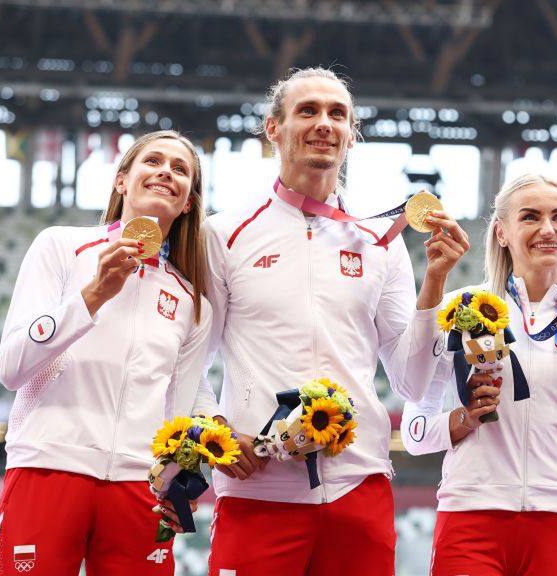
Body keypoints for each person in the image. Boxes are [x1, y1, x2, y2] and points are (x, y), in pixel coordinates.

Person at [196, 67, 469, 575]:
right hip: (260, 487)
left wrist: (435, 281)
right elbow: (192, 360)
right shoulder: (224, 233)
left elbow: (411, 381)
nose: (324, 123)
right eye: (308, 111)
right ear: (273, 128)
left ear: (351, 135)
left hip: (358, 484)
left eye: (337, 114)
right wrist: (215, 430)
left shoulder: (381, 243)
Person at [0, 130, 212, 575]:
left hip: (140, 487)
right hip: (49, 466)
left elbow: (186, 402)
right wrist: (91, 297)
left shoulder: (193, 301)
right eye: (153, 161)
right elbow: (11, 367)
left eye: (180, 168)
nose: (166, 171)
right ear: (122, 181)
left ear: (188, 201)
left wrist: (182, 482)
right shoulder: (61, 246)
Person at [401, 173, 557, 576]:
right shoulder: (460, 309)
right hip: (471, 516)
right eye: (530, 217)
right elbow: (413, 429)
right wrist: (460, 419)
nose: (547, 229)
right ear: (501, 232)